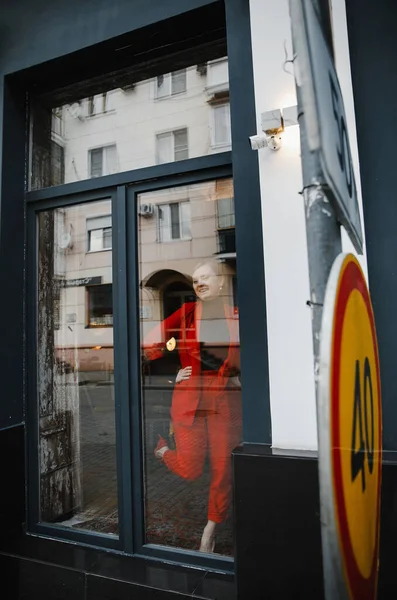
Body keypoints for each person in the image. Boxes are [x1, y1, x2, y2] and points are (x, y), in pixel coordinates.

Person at [142, 260, 242, 553]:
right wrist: (174, 363)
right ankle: (163, 450)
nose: (199, 284)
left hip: (225, 398)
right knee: (191, 468)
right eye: (195, 280)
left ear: (221, 283)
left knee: (224, 468)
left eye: (205, 278)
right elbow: (154, 344)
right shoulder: (186, 313)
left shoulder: (234, 316)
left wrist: (239, 376)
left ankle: (211, 527)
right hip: (191, 394)